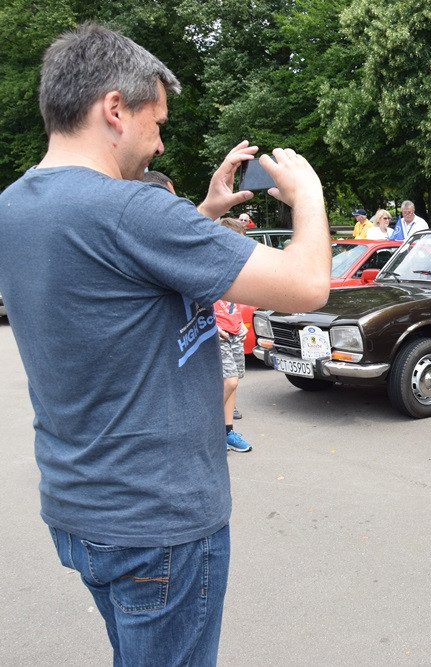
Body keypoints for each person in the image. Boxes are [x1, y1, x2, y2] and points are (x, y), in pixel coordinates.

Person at [0, 23, 331, 665]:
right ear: (114, 109)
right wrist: (308, 197)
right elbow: (309, 283)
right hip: (159, 523)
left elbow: (115, 281)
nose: (158, 143)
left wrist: (204, 212)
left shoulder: (16, 207)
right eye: (156, 123)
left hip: (80, 507)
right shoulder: (133, 211)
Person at [216, 217, 252, 451]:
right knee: (229, 381)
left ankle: (227, 432)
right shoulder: (209, 266)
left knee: (234, 382)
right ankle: (208, 426)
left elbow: (233, 303)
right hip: (217, 333)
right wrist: (211, 326)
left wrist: (239, 324)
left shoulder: (235, 267)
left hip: (234, 331)